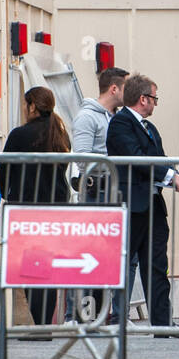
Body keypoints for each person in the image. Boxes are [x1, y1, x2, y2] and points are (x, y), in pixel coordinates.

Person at [107, 74, 179, 334]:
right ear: (143, 99)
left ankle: (162, 323)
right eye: (154, 98)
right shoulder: (120, 123)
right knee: (120, 263)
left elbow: (161, 159)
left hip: (153, 206)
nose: (156, 103)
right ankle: (109, 317)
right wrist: (169, 176)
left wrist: (173, 174)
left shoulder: (149, 128)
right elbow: (136, 157)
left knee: (156, 265)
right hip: (131, 206)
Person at [0, 87, 73, 325]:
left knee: (30, 269)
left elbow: (5, 172)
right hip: (55, 209)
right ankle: (44, 324)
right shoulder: (60, 134)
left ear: (32, 106)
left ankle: (39, 323)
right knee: (47, 269)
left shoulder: (19, 135)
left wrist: (8, 195)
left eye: (25, 104)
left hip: (27, 208)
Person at [67, 65, 128, 322]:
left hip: (109, 194)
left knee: (106, 256)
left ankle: (102, 313)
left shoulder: (114, 117)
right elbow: (82, 158)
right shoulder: (88, 118)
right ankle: (76, 315)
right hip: (96, 194)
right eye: (127, 87)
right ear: (114, 88)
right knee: (88, 254)